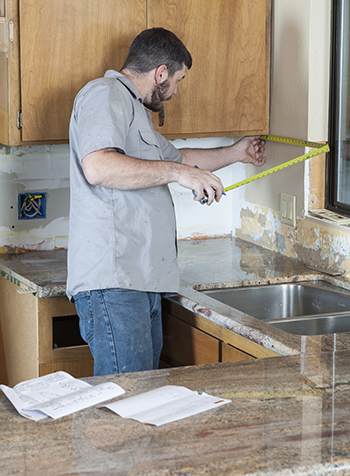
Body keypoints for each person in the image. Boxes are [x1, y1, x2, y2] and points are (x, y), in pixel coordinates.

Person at [67, 27, 266, 376]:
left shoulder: (134, 111)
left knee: (142, 397)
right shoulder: (104, 94)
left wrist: (238, 152)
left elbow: (181, 158)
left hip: (138, 280)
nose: (175, 90)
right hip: (116, 282)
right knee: (127, 402)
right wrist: (179, 174)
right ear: (160, 73)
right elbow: (98, 166)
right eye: (177, 80)